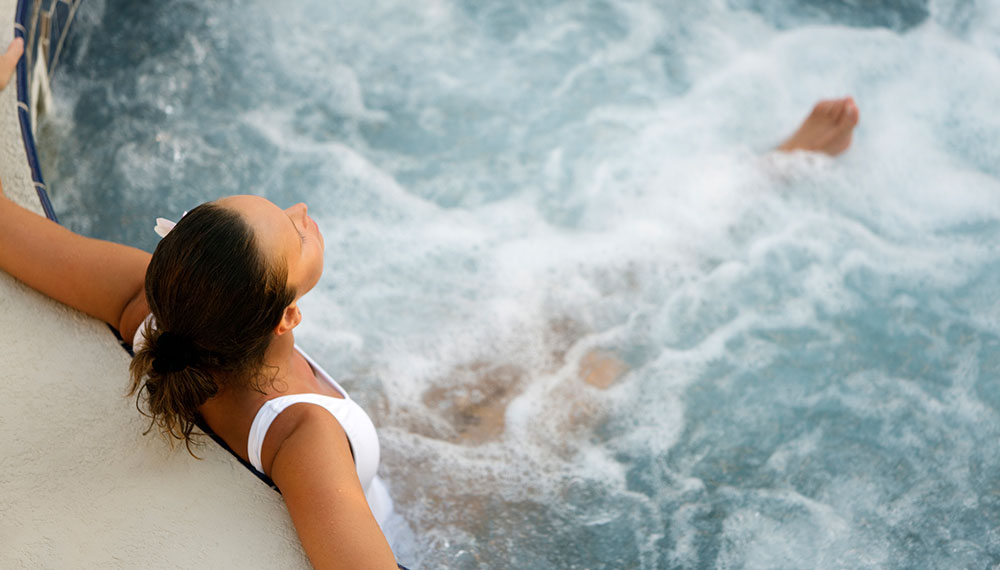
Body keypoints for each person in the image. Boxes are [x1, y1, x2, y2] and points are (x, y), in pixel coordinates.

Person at [0, 33, 858, 569]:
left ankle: (762, 176)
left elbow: (9, 233)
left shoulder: (148, 299)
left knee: (556, 312)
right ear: (287, 317)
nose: (302, 214)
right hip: (432, 512)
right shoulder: (306, 440)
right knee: (591, 370)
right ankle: (762, 190)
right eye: (294, 237)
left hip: (391, 444)